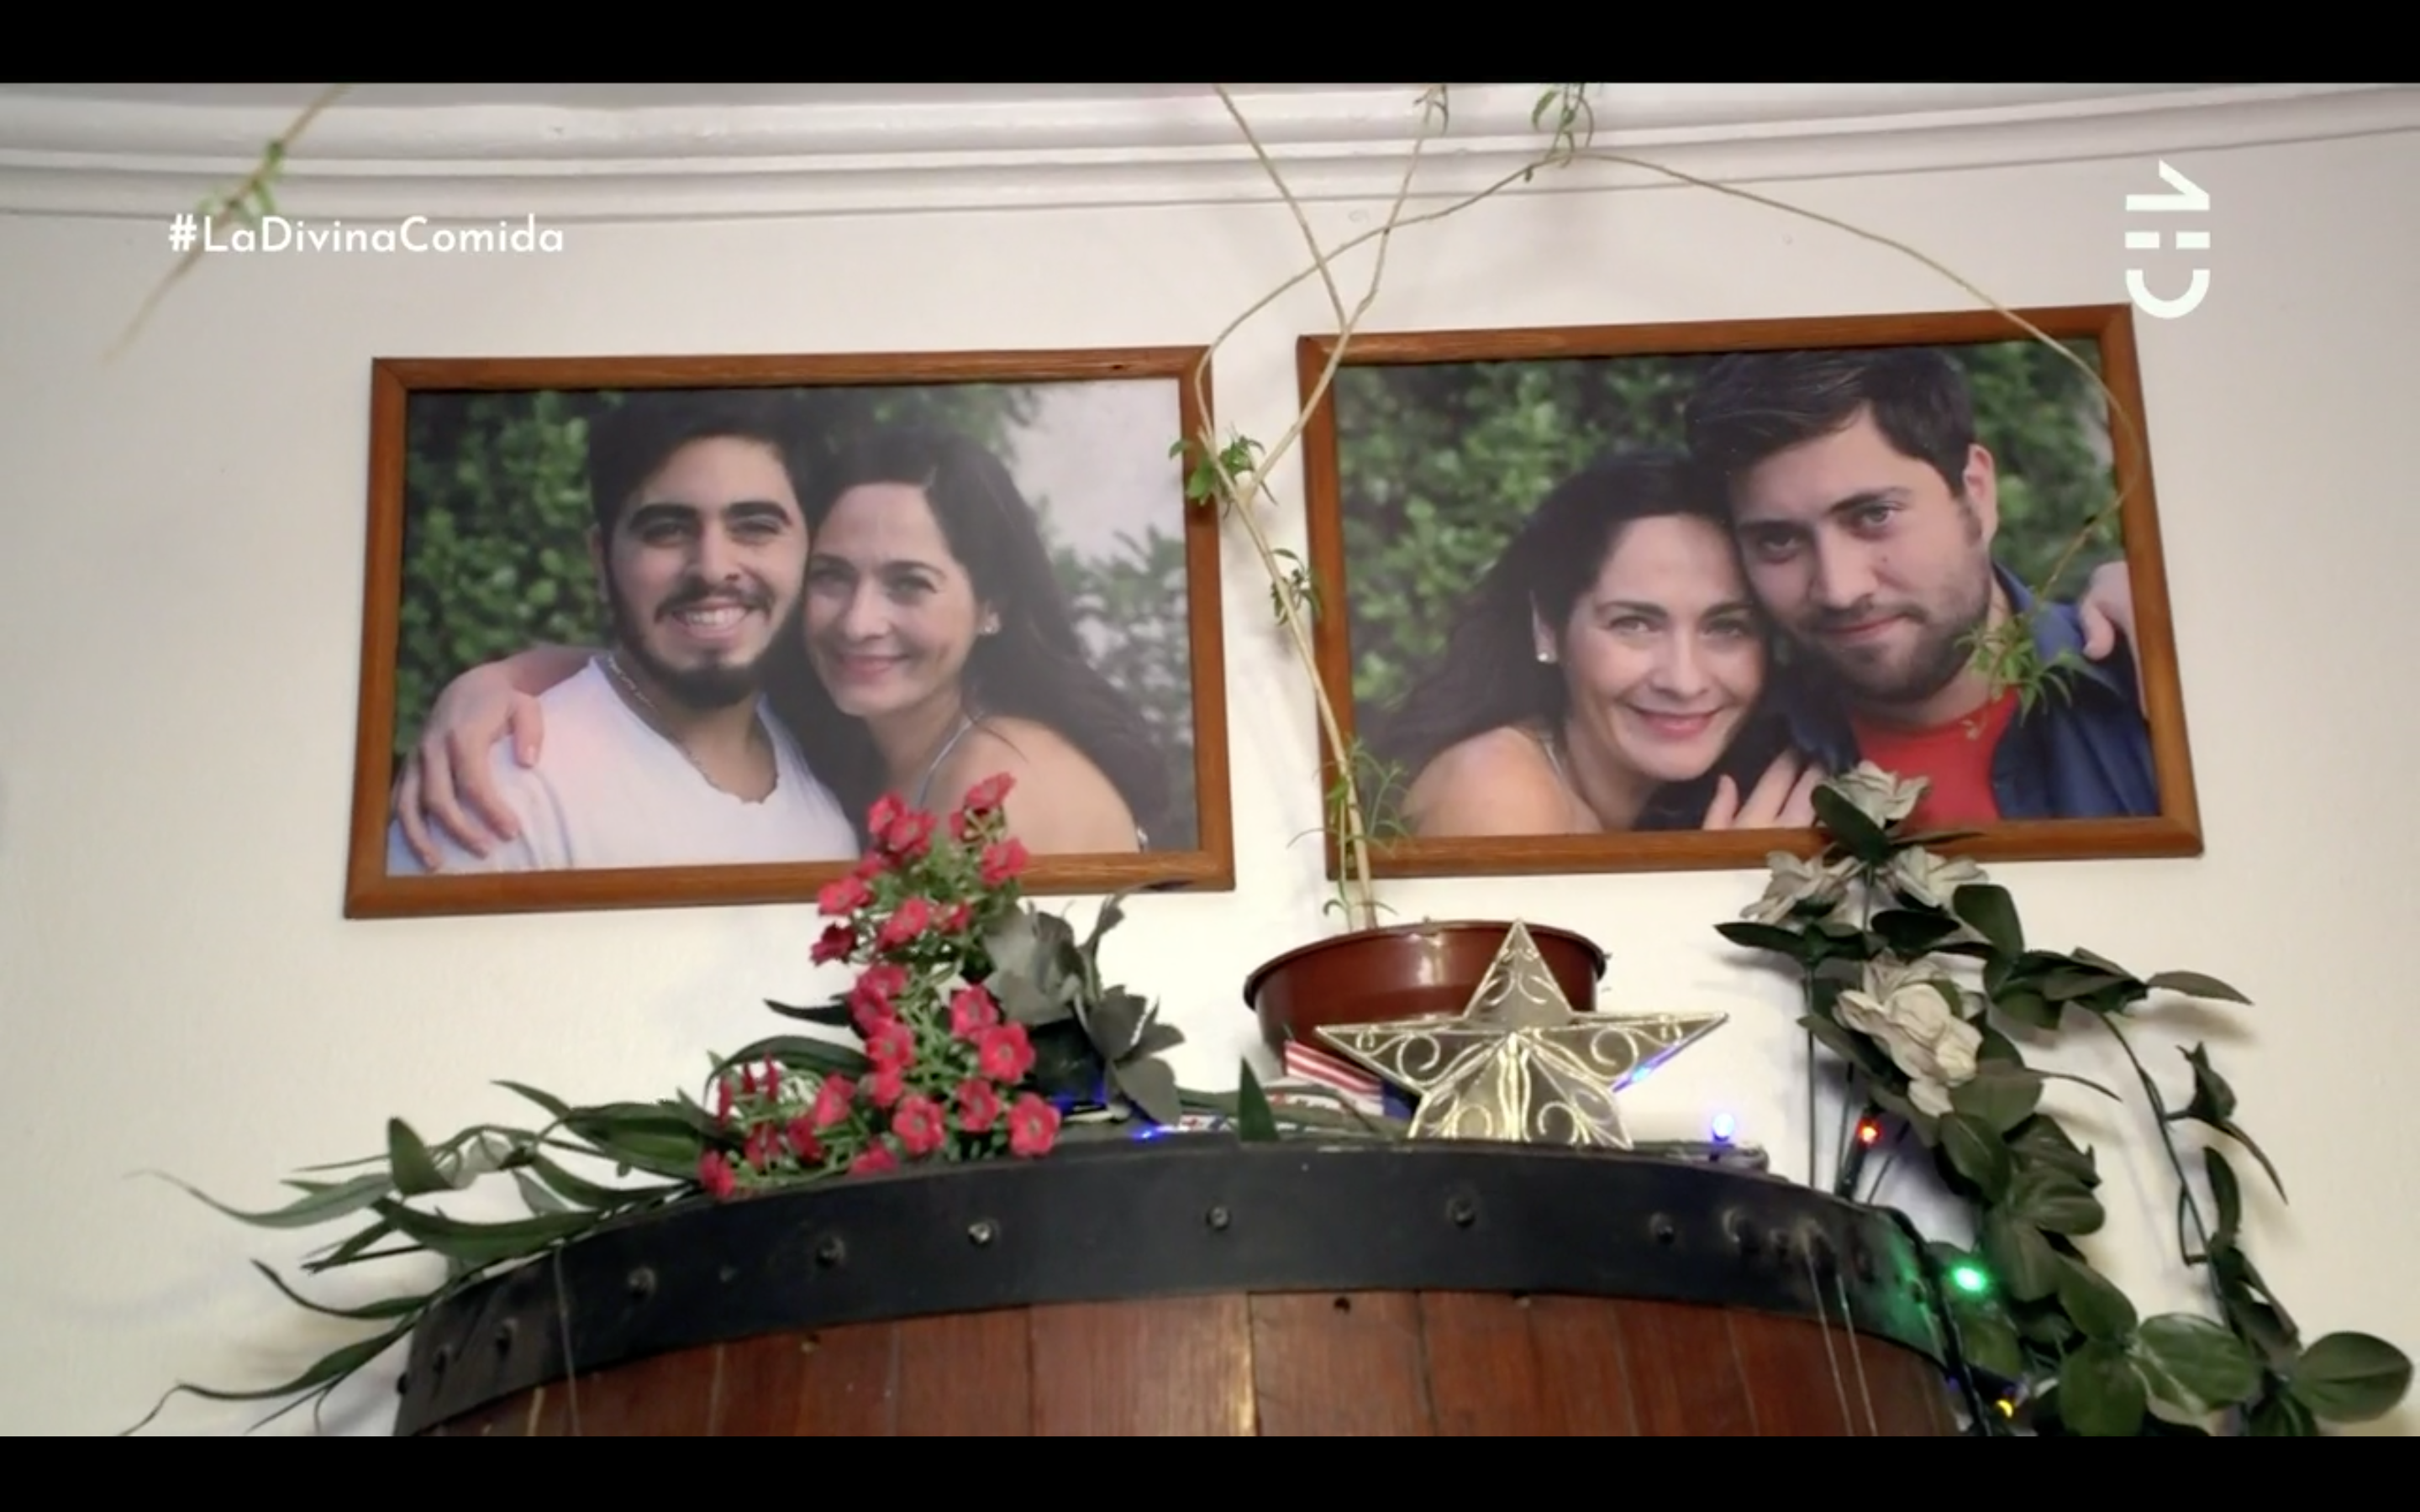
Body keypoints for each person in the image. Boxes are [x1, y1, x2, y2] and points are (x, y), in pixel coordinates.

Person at [390, 424, 1166, 864]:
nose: (859, 621)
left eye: (909, 584)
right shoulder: (831, 734)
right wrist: (502, 679)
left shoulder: (1000, 789)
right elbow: (655, 668)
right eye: (832, 576)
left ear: (992, 604)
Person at [1682, 345, 2159, 827]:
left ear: (1976, 494)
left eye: (1875, 515)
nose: (1839, 589)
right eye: (1779, 540)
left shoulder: (2152, 686)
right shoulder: (1708, 771)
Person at [385, 389, 857, 874]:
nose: (713, 568)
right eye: (667, 529)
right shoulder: (500, 797)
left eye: (755, 526)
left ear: (811, 550)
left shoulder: (834, 739)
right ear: (601, 559)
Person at [1367, 449, 1827, 837]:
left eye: (1726, 627)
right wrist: (1730, 887)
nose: (1684, 681)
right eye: (1635, 624)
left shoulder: (1733, 786)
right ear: (1548, 628)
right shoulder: (1494, 791)